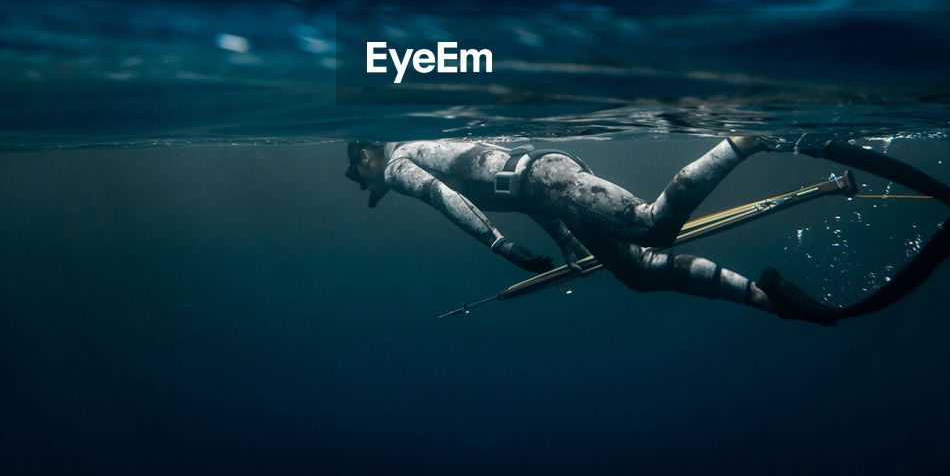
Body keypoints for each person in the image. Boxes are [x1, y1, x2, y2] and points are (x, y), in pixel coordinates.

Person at [345, 136, 840, 325]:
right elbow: (505, 183)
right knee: (640, 272)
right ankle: (761, 297)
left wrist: (499, 244)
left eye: (359, 172)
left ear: (366, 156)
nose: (368, 182)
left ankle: (740, 143)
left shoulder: (395, 165)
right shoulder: (418, 147)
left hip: (546, 179)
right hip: (540, 182)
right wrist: (564, 241)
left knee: (652, 226)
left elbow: (444, 197)